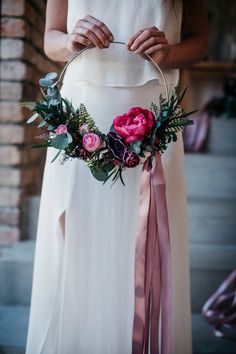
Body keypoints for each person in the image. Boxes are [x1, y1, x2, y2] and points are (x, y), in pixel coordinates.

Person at [26, 1, 207, 353]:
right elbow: (51, 38)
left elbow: (200, 42)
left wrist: (169, 53)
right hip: (82, 112)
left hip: (153, 112)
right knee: (77, 244)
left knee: (146, 245)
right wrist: (70, 42)